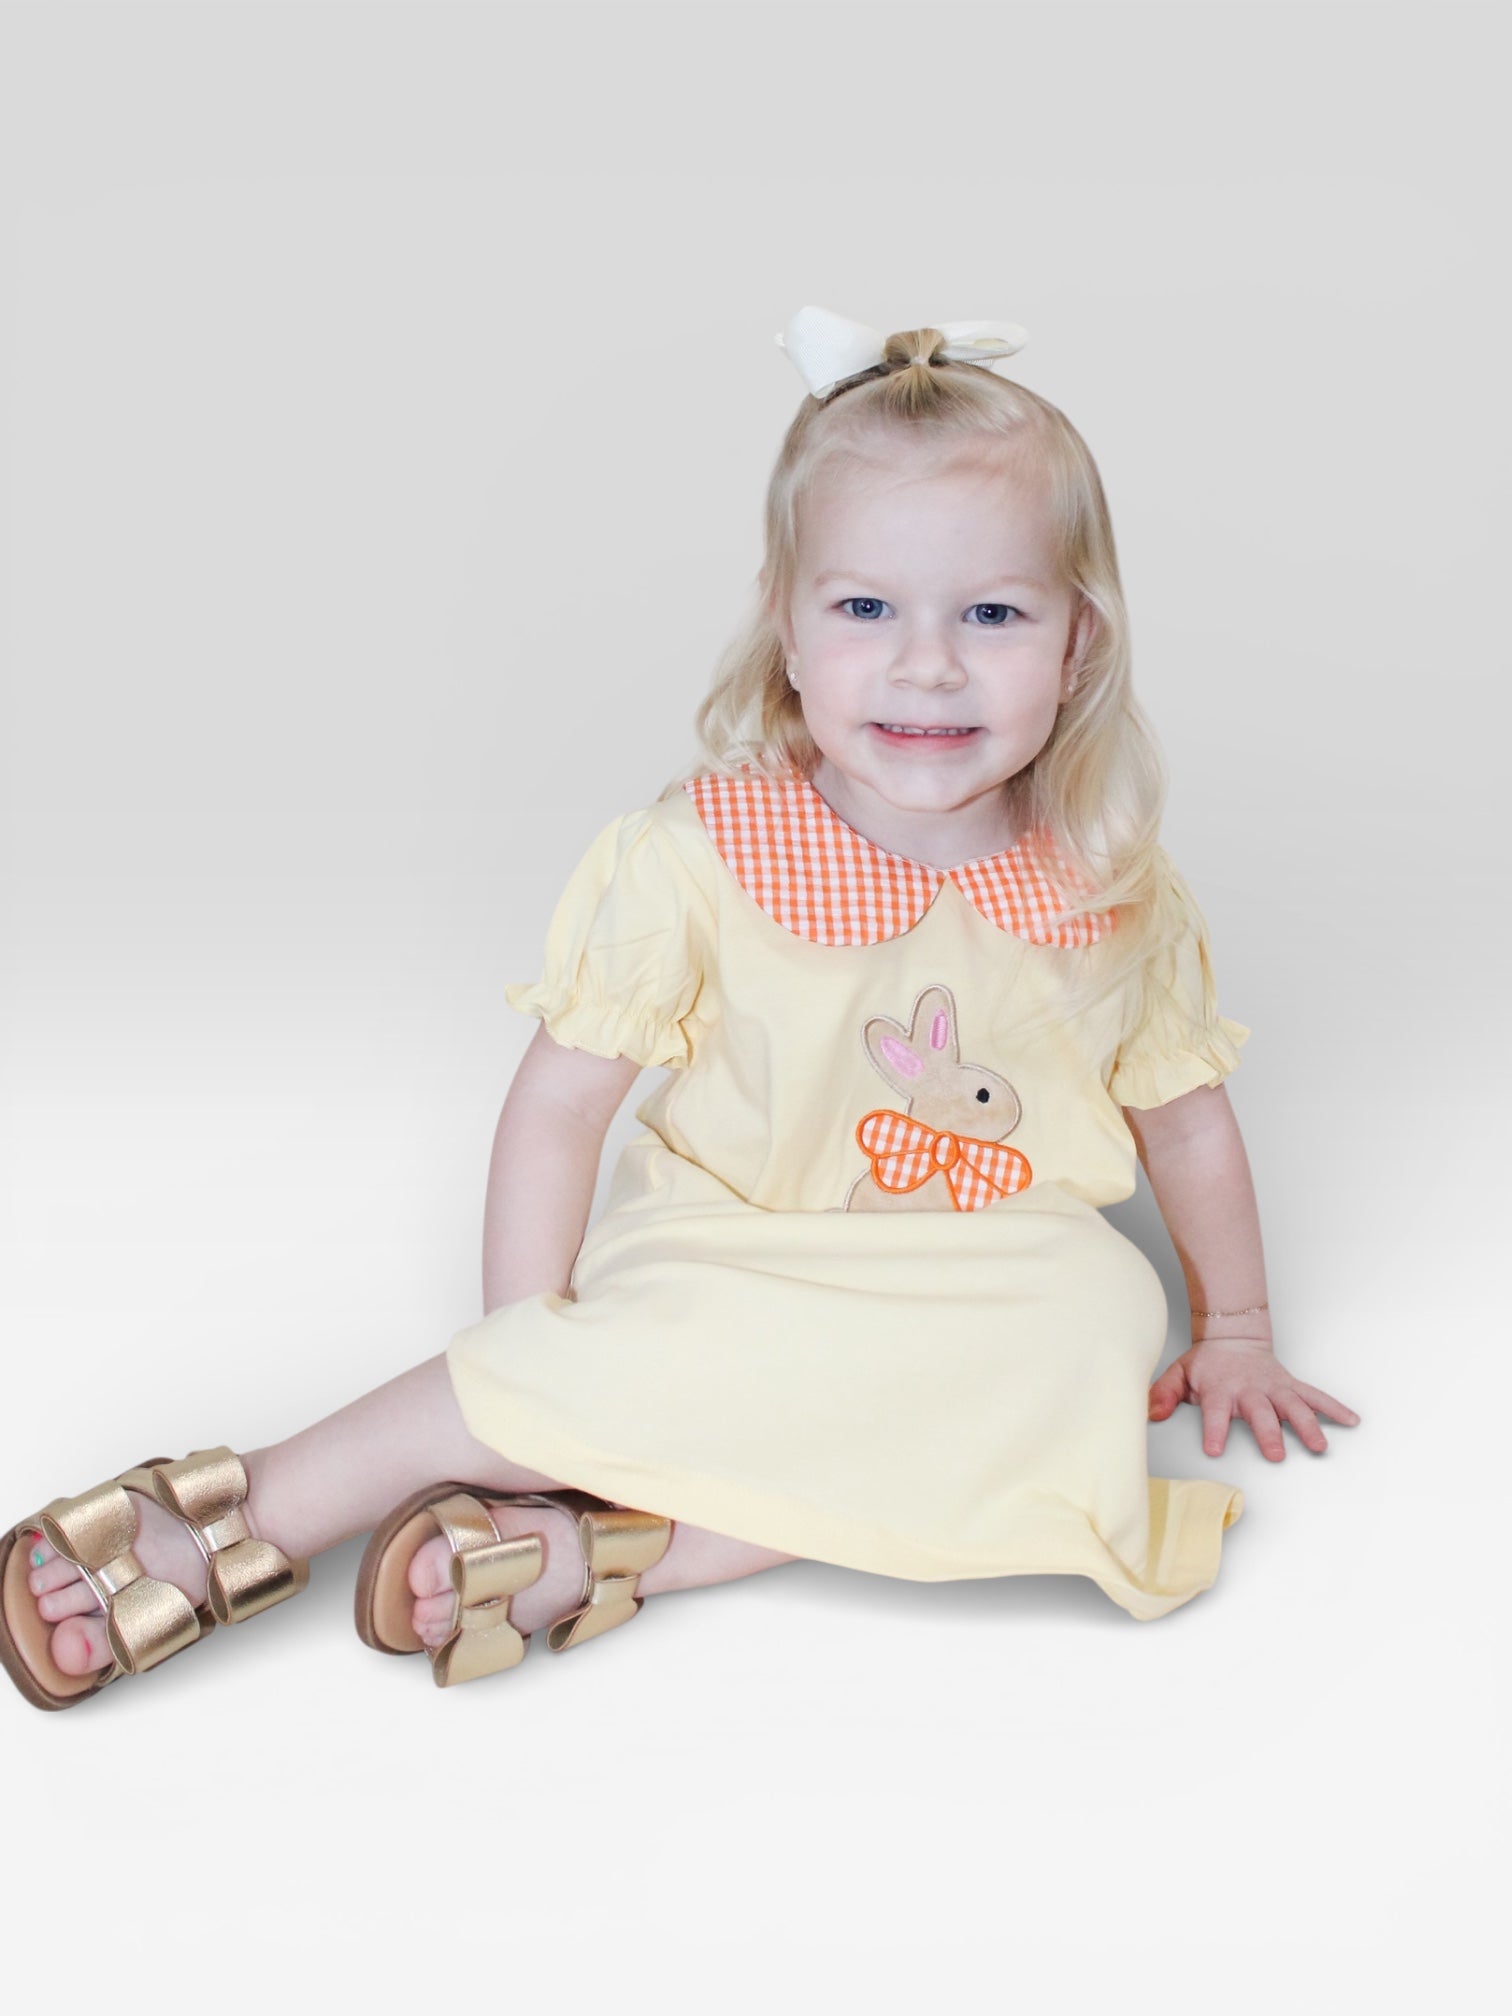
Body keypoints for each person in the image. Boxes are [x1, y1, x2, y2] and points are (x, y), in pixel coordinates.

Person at [0, 303, 1361, 1712]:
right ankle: (254, 1508)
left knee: (1100, 1308)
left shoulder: (1112, 887)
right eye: (866, 609)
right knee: (682, 1353)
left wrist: (1238, 1324)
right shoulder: (699, 859)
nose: (929, 663)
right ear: (786, 626)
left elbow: (1185, 1125)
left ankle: (605, 1555)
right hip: (736, 1246)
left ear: (1079, 640)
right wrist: (532, 1352)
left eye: (995, 615)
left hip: (976, 1276)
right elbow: (559, 1109)